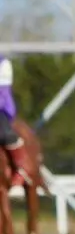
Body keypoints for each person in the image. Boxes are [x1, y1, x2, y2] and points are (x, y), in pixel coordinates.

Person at [0, 54, 26, 187]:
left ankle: (20, 170)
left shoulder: (3, 64)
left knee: (4, 134)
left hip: (2, 107)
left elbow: (3, 92)